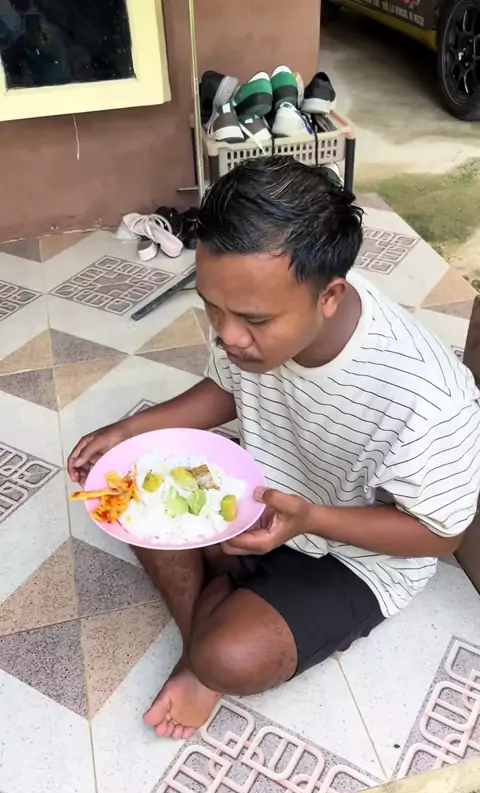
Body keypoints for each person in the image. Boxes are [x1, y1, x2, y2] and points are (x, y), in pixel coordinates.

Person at [68, 157, 480, 741]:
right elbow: (225, 388)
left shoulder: (426, 401)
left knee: (230, 659)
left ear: (330, 296)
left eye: (254, 320)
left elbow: (439, 536)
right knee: (125, 488)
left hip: (352, 552)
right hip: (264, 488)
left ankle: (208, 643)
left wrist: (309, 520)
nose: (228, 335)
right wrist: (129, 433)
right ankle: (203, 637)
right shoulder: (261, 306)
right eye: (212, 306)